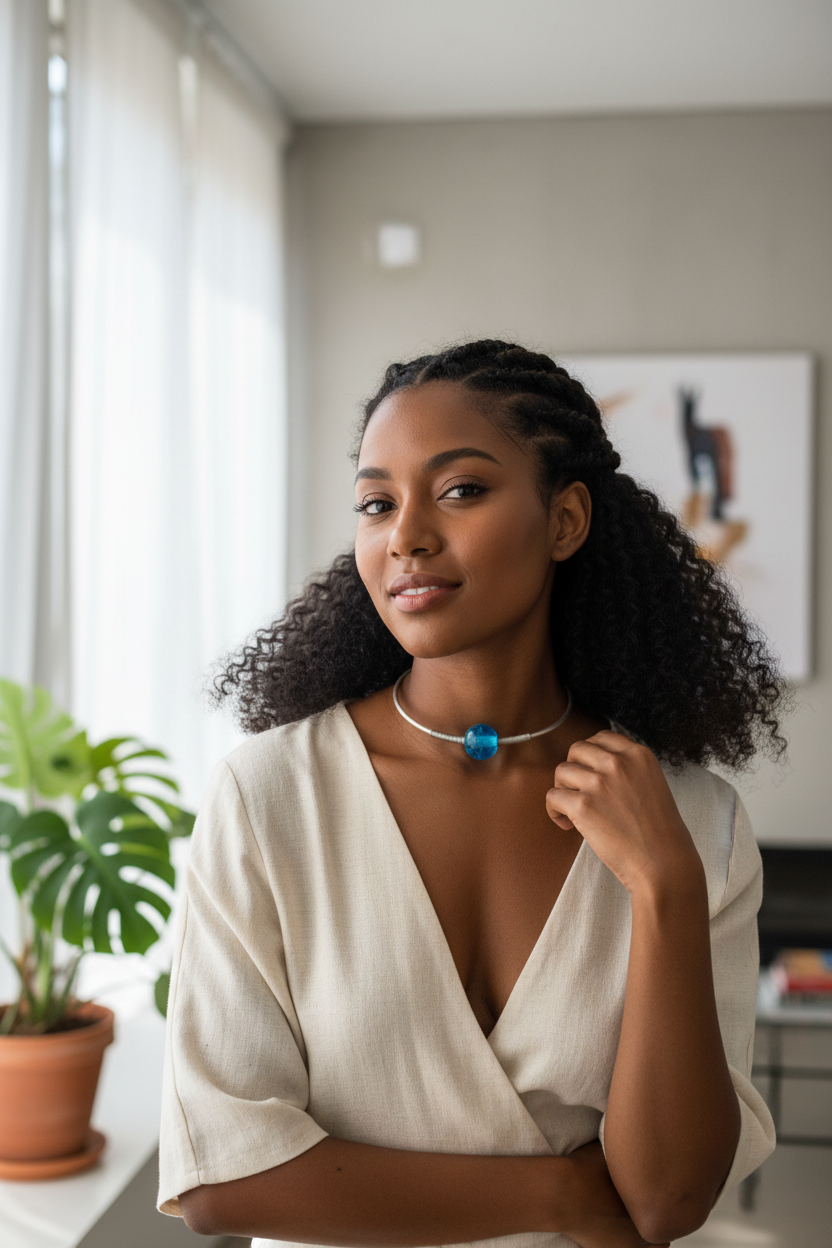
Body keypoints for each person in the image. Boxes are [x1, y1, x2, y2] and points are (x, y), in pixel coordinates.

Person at [157, 341, 780, 1248]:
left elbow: (669, 1200)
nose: (405, 533)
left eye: (460, 490)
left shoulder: (694, 825)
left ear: (565, 521)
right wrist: (561, 1198)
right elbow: (220, 1174)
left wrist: (666, 889)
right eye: (378, 503)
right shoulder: (269, 798)